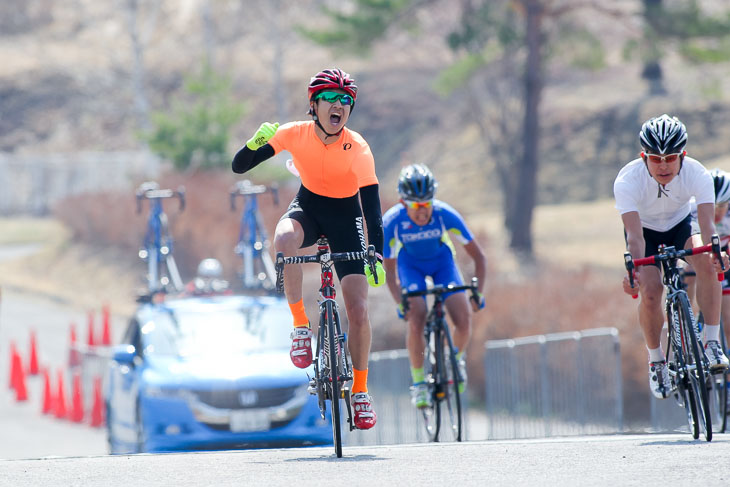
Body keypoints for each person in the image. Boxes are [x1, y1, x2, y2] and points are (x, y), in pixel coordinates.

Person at [231, 68, 384, 430]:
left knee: (359, 309)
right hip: (310, 208)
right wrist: (254, 144)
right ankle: (301, 326)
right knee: (284, 240)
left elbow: (372, 203)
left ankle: (360, 391)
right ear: (313, 105)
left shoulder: (358, 147)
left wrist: (376, 251)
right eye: (331, 99)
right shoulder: (293, 133)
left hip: (348, 219)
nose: (339, 106)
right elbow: (239, 166)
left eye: (346, 100)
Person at [615, 114, 729, 401]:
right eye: (655, 158)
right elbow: (634, 237)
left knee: (706, 261)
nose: (663, 164)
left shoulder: (697, 173)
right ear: (644, 157)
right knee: (651, 292)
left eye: (671, 157)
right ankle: (656, 362)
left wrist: (716, 253)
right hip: (646, 233)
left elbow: (706, 226)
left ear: (683, 155)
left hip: (681, 226)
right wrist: (635, 273)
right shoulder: (628, 180)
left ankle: (712, 343)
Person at [382, 164, 486, 408]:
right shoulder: (392, 222)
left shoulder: (444, 214)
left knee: (463, 318)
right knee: (416, 316)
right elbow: (389, 271)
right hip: (410, 267)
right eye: (416, 206)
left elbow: (479, 258)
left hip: (442, 263)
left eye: (427, 204)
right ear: (403, 202)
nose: (422, 211)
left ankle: (454, 361)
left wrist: (478, 292)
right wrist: (400, 302)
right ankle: (419, 384)